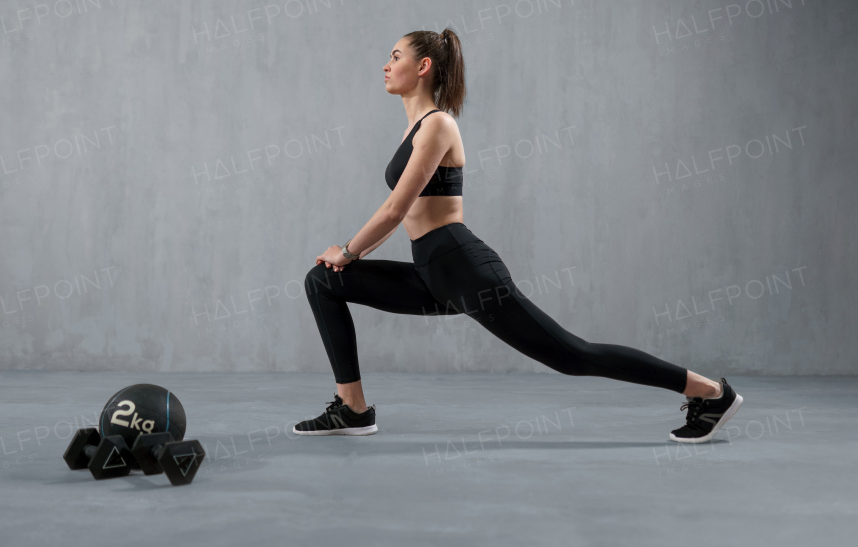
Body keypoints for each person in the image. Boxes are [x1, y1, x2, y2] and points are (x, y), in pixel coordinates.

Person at [294, 28, 742, 443]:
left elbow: (395, 210)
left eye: (395, 56)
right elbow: (402, 215)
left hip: (465, 269)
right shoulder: (414, 128)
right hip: (432, 271)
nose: (386, 65)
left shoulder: (438, 124)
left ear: (424, 65)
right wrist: (346, 261)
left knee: (572, 356)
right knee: (323, 282)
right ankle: (353, 409)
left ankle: (711, 392)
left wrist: (348, 250)